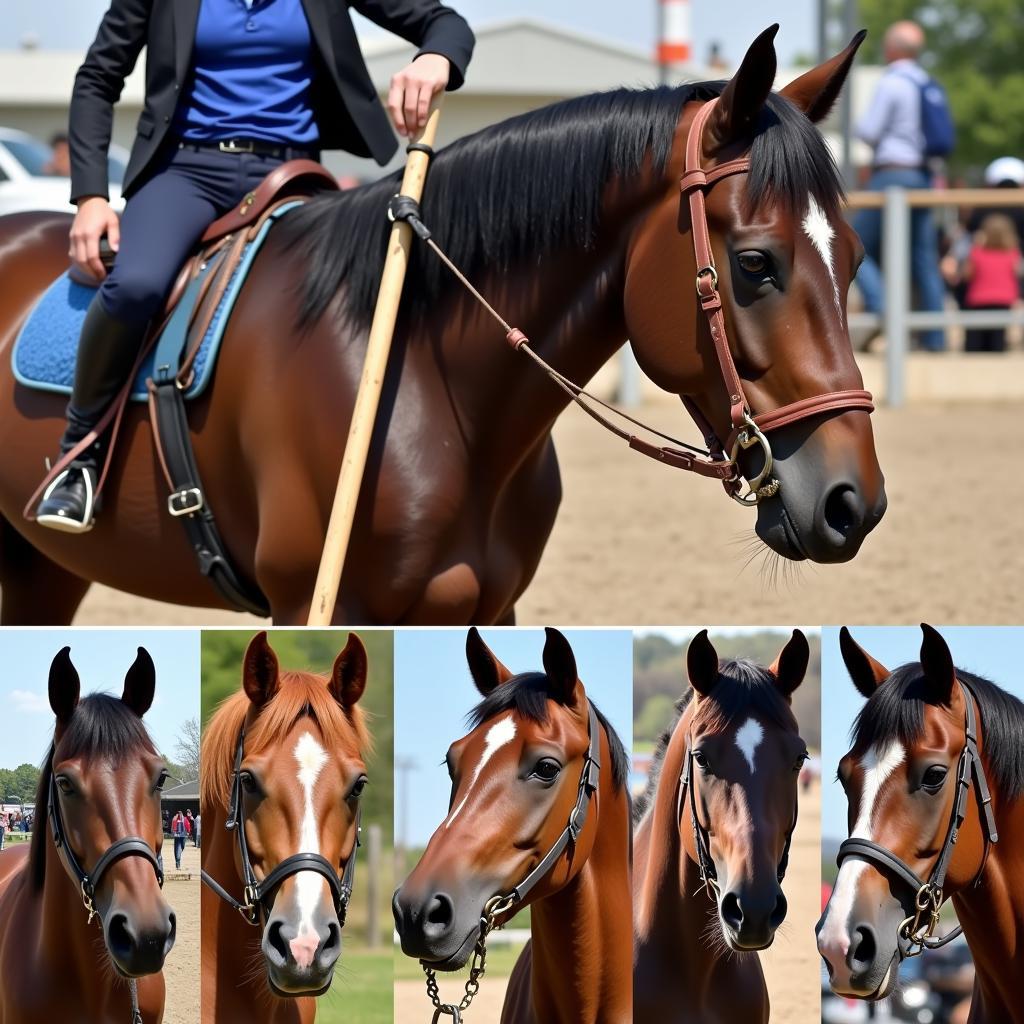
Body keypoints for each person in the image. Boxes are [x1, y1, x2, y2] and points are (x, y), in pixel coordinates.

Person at [35, 0, 475, 532]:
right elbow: (98, 77)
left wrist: (436, 58)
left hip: (291, 173)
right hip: (186, 170)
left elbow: (445, 22)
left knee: (356, 300)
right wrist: (89, 197)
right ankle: (79, 455)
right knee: (136, 286)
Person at [852, 20, 949, 352]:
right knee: (924, 257)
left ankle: (886, 313)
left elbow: (869, 130)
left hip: (892, 175)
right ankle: (935, 339)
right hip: (923, 177)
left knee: (853, 245)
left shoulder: (892, 82)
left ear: (892, 49)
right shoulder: (927, 82)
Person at [960, 213, 1021, 352]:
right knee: (997, 341)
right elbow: (1017, 274)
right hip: (1003, 301)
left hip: (978, 300)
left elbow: (967, 274)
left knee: (974, 343)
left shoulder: (976, 253)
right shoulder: (1013, 254)